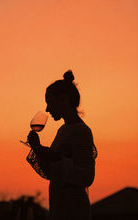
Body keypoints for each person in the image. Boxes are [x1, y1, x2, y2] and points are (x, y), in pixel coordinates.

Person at [26, 70, 97, 220]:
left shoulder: (82, 132)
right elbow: (52, 173)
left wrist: (57, 158)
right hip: (60, 209)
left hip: (74, 211)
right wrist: (37, 148)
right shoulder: (63, 130)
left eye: (49, 102)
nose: (47, 109)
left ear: (63, 99)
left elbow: (87, 177)